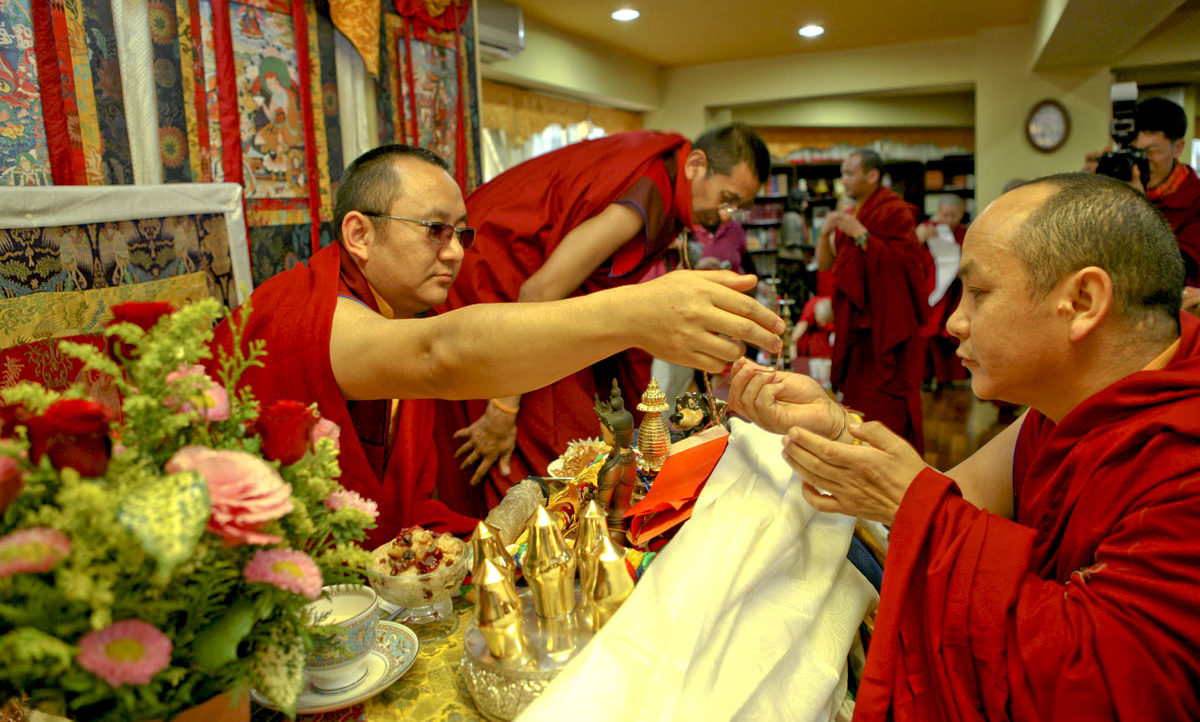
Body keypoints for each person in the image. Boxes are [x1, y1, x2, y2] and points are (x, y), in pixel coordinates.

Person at [728, 172, 1200, 720]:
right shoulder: (1067, 408)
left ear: (1082, 301)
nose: (954, 321)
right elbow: (957, 496)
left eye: (978, 294)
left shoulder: (1183, 461)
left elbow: (1111, 687)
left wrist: (911, 503)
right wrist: (834, 426)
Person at [209, 144, 784, 547]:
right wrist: (636, 314)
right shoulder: (310, 314)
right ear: (359, 234)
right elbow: (438, 356)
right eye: (435, 231)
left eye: (461, 234)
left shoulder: (398, 311)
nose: (456, 253)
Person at [431, 123, 772, 513]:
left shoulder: (664, 172)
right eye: (726, 199)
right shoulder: (647, 192)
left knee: (596, 436)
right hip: (494, 282)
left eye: (737, 207)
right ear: (696, 164)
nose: (725, 216)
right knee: (552, 452)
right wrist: (503, 408)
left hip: (536, 292)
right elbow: (539, 292)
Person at [814, 148, 929, 451]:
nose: (843, 180)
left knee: (887, 410)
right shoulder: (854, 213)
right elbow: (827, 265)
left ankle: (896, 462)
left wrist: (861, 234)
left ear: (872, 175)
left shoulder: (894, 211)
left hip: (886, 328)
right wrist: (825, 234)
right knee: (857, 409)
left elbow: (906, 268)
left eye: (849, 173)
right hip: (856, 330)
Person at [1086, 96, 1200, 293]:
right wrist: (1087, 188)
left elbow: (1176, 269)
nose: (1142, 161)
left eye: (1151, 152)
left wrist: (1138, 207)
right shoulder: (1118, 186)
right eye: (1135, 152)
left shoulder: (1194, 198)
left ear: (1178, 148)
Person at [916, 194, 968, 386]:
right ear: (938, 213)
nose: (949, 220)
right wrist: (921, 237)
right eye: (945, 215)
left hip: (955, 292)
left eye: (953, 215)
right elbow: (910, 252)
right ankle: (926, 377)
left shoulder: (965, 233)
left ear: (961, 214)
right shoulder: (928, 228)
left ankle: (949, 379)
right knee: (929, 336)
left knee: (951, 335)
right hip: (931, 291)